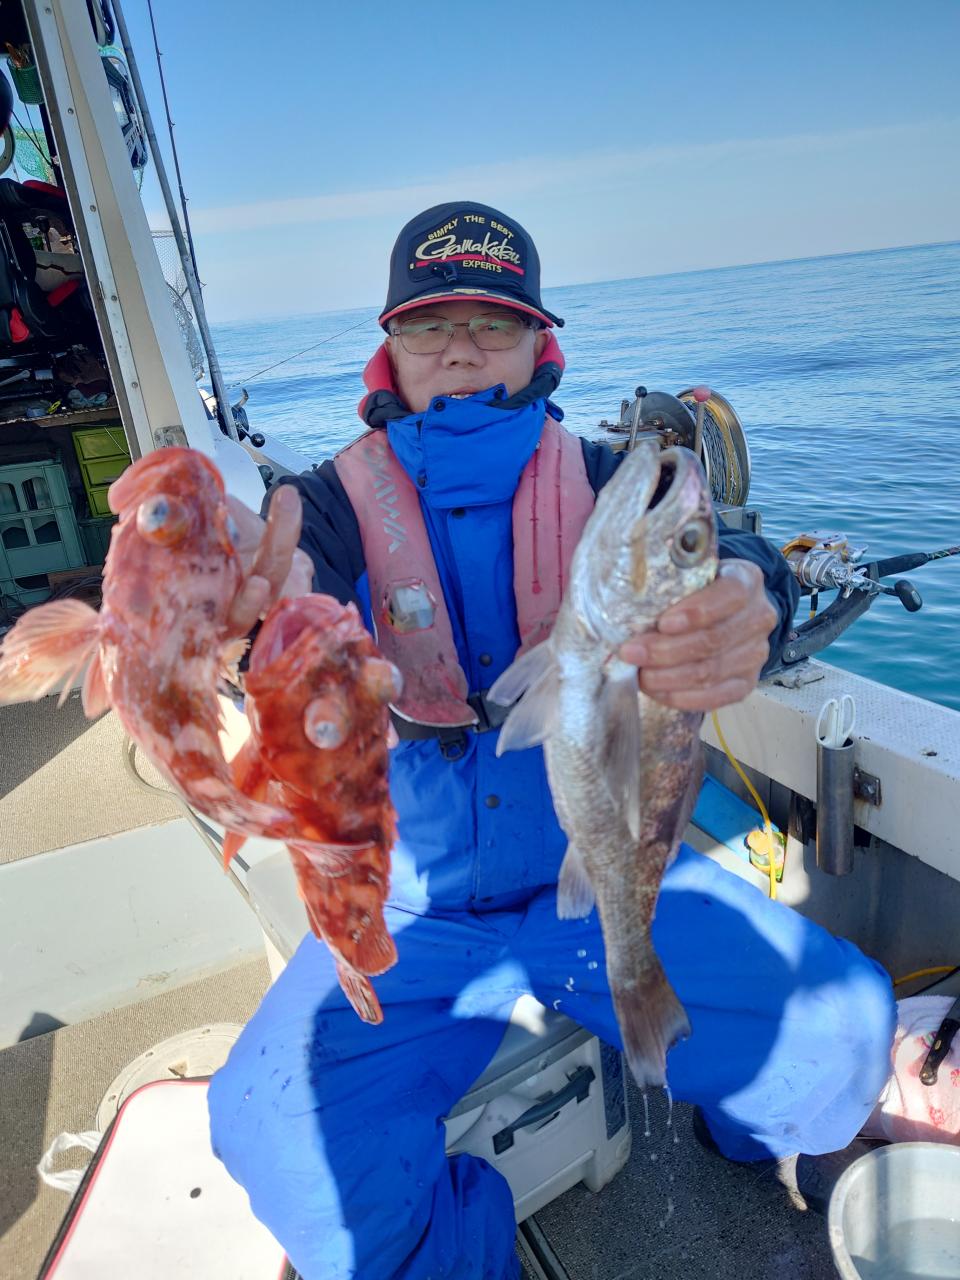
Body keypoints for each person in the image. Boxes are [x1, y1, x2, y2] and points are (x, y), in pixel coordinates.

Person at [209, 203, 895, 1280]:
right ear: (390, 346)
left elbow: (727, 545)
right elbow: (283, 587)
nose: (463, 347)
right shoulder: (321, 505)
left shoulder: (614, 479)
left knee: (847, 1023)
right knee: (273, 1136)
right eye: (431, 323)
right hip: (411, 908)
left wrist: (751, 590)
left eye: (496, 320)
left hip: (598, 862)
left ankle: (754, 1136)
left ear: (542, 343)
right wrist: (251, 617)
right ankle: (456, 1247)